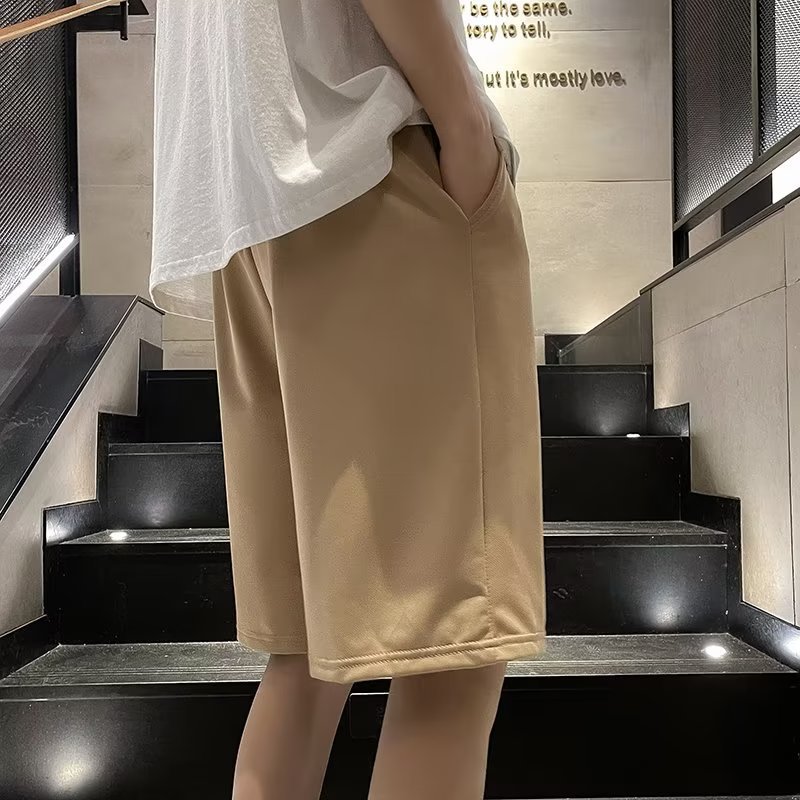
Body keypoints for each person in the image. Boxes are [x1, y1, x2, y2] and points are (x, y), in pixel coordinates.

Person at [149, 1, 545, 797]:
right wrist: (465, 127)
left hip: (252, 210)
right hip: (375, 178)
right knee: (453, 642)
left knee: (304, 650)